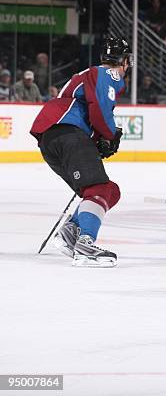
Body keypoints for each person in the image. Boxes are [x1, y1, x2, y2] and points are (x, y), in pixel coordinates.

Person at [29, 36, 131, 267]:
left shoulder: (89, 74)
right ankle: (85, 244)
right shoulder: (108, 73)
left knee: (108, 191)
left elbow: (87, 109)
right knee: (98, 188)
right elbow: (99, 108)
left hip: (54, 139)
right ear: (122, 60)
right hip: (67, 133)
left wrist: (97, 140)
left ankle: (70, 233)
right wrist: (109, 134)